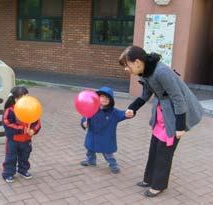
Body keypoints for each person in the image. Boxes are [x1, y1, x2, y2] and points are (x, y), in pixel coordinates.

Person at [119, 46, 203, 197]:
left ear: (137, 62)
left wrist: (180, 126)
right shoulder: (145, 72)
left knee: (164, 153)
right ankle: (149, 179)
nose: (126, 69)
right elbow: (146, 95)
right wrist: (133, 108)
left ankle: (158, 185)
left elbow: (178, 98)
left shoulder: (162, 72)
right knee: (155, 148)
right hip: (161, 115)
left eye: (127, 64)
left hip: (174, 117)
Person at [80, 86, 132, 173]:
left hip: (106, 137)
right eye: (102, 97)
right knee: (90, 150)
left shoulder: (113, 112)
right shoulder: (92, 108)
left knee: (108, 154)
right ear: (98, 98)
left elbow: (122, 114)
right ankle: (91, 161)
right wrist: (84, 123)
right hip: (93, 135)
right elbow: (85, 118)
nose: (104, 99)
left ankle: (114, 166)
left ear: (111, 101)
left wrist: (128, 113)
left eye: (107, 98)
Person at [2, 86, 41, 183]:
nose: (27, 100)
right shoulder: (10, 110)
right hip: (13, 140)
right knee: (11, 157)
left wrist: (33, 130)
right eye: (23, 97)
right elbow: (7, 124)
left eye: (27, 97)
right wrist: (22, 129)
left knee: (25, 156)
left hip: (26, 140)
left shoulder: (31, 108)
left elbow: (37, 122)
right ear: (16, 99)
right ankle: (8, 173)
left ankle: (23, 170)